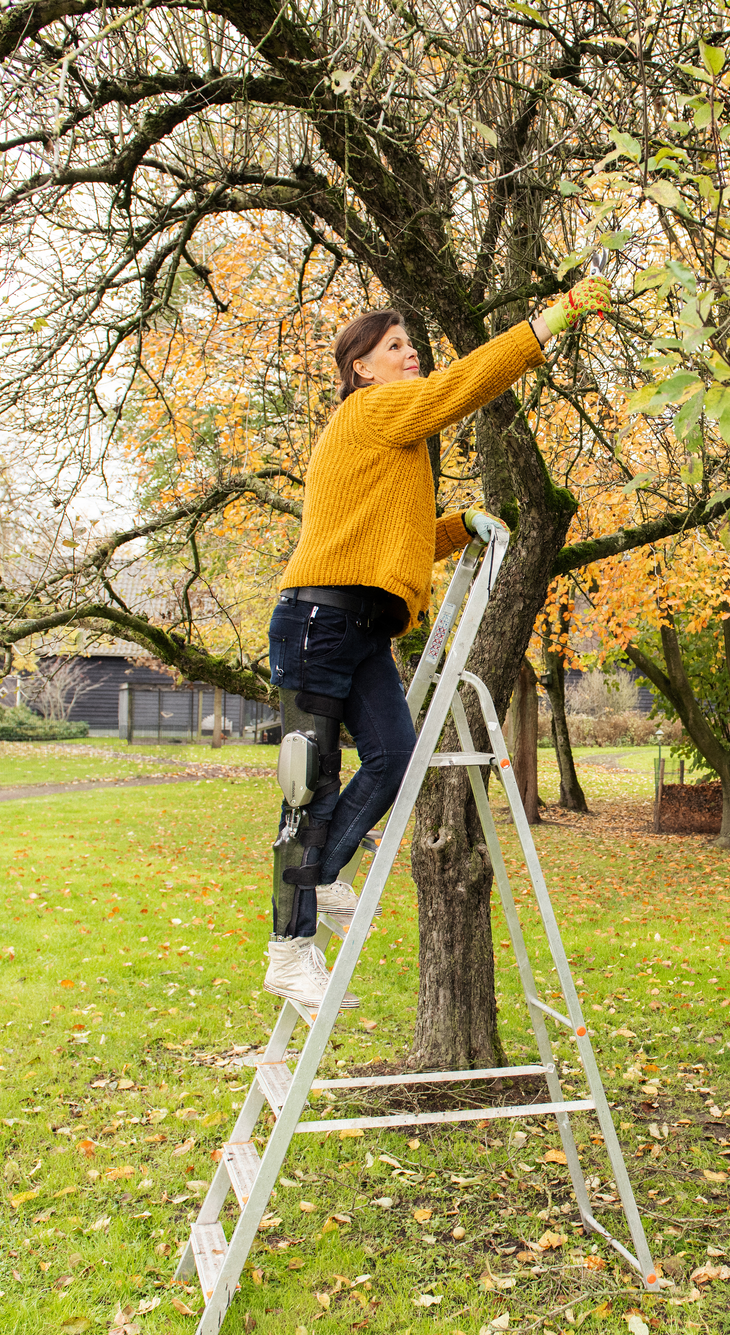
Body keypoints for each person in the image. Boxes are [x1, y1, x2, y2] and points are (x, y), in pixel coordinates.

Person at [261, 278, 611, 1010]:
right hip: (319, 623)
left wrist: (458, 527)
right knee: (308, 794)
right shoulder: (374, 409)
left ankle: (323, 876)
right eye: (395, 347)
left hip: (360, 628)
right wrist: (547, 322)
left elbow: (396, 540)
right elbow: (464, 384)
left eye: (409, 343)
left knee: (395, 758)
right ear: (361, 368)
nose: (410, 352)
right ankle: (288, 951)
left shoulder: (391, 439)